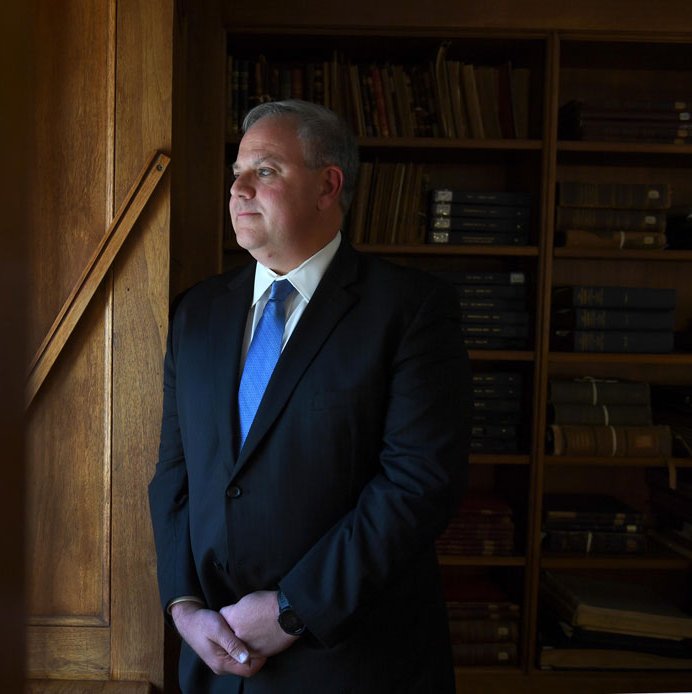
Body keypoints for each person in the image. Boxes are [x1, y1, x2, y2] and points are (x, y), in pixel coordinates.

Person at [148, 99, 471, 693]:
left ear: (328, 186)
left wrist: (294, 608)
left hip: (354, 662)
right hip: (216, 663)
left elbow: (419, 484)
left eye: (265, 171)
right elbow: (174, 474)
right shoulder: (197, 313)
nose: (238, 188)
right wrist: (183, 604)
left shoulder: (410, 310)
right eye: (236, 172)